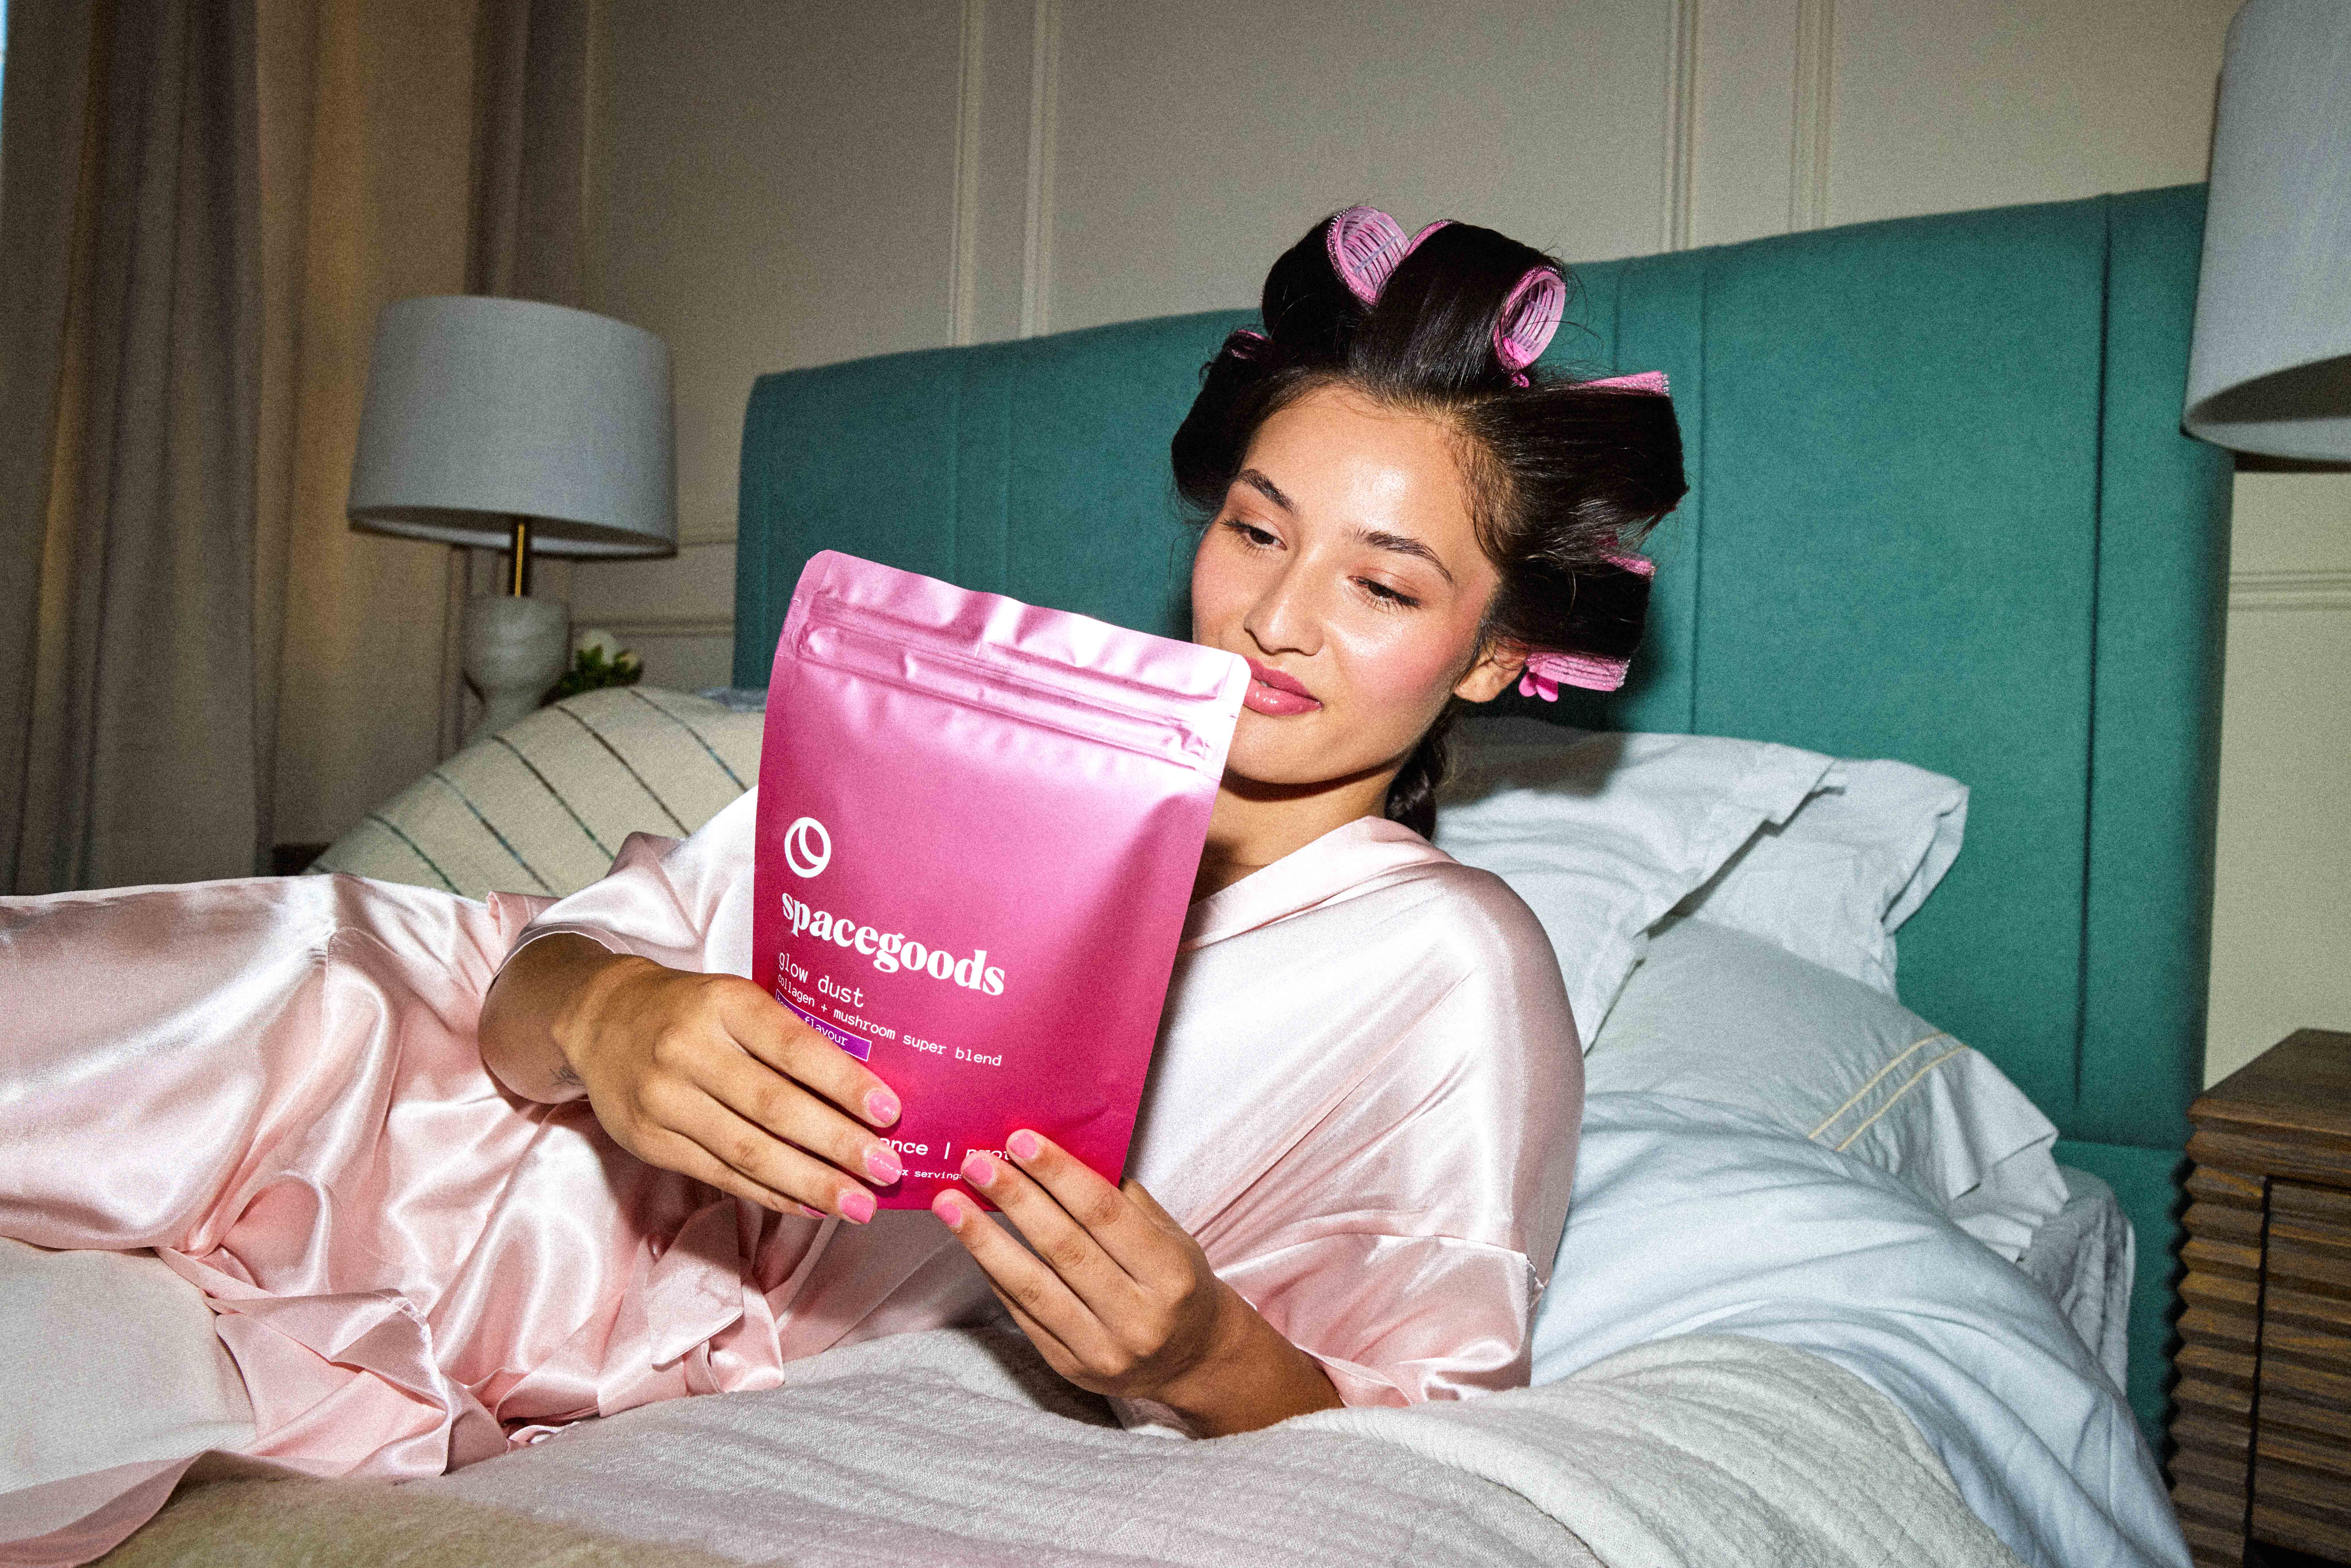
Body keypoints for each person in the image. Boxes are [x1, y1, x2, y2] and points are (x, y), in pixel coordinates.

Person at [0, 206, 1684, 1561]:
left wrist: (1198, 1357)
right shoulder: (997, 748)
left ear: (1496, 655)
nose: (1279, 615)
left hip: (541, 1324)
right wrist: (622, 1010)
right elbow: (524, 993)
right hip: (395, 1082)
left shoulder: (1452, 972)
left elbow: (1441, 1420)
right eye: (1256, 529)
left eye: (1385, 583)